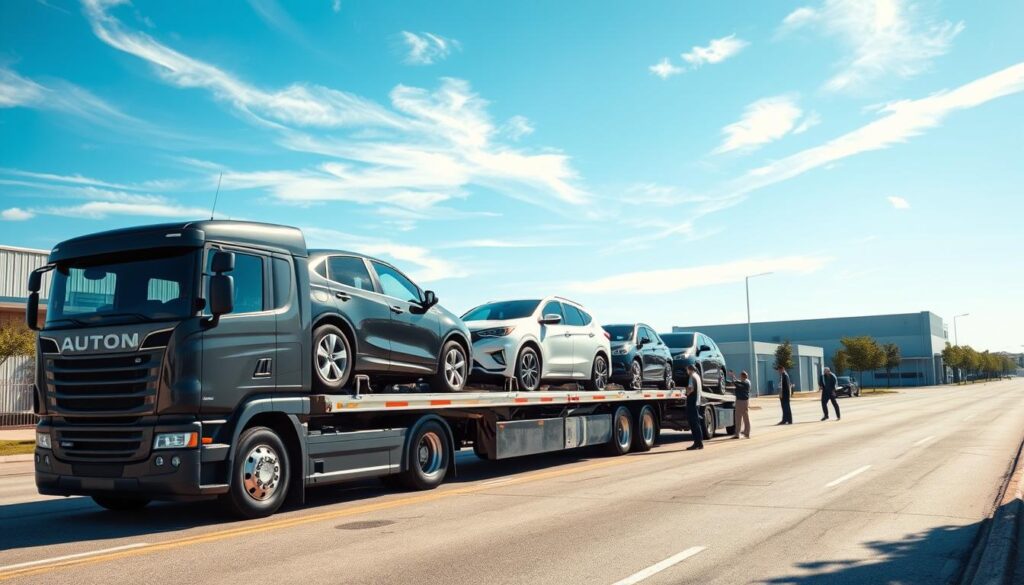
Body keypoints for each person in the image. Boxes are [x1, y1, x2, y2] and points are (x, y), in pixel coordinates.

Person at [685, 364, 704, 450]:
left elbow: (691, 388)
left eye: (687, 370)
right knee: (697, 423)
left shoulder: (692, 376)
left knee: (693, 423)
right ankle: (699, 443)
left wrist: (686, 393)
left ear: (690, 369)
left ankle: (697, 443)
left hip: (693, 402)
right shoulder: (697, 376)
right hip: (698, 402)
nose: (687, 372)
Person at [732, 371, 751, 439]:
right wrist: (734, 378)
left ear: (743, 376)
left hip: (742, 401)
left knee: (742, 417)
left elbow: (737, 384)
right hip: (742, 401)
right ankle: (739, 433)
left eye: (741, 376)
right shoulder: (745, 382)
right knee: (740, 417)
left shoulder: (746, 383)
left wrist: (733, 378)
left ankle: (745, 433)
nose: (740, 377)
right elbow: (738, 382)